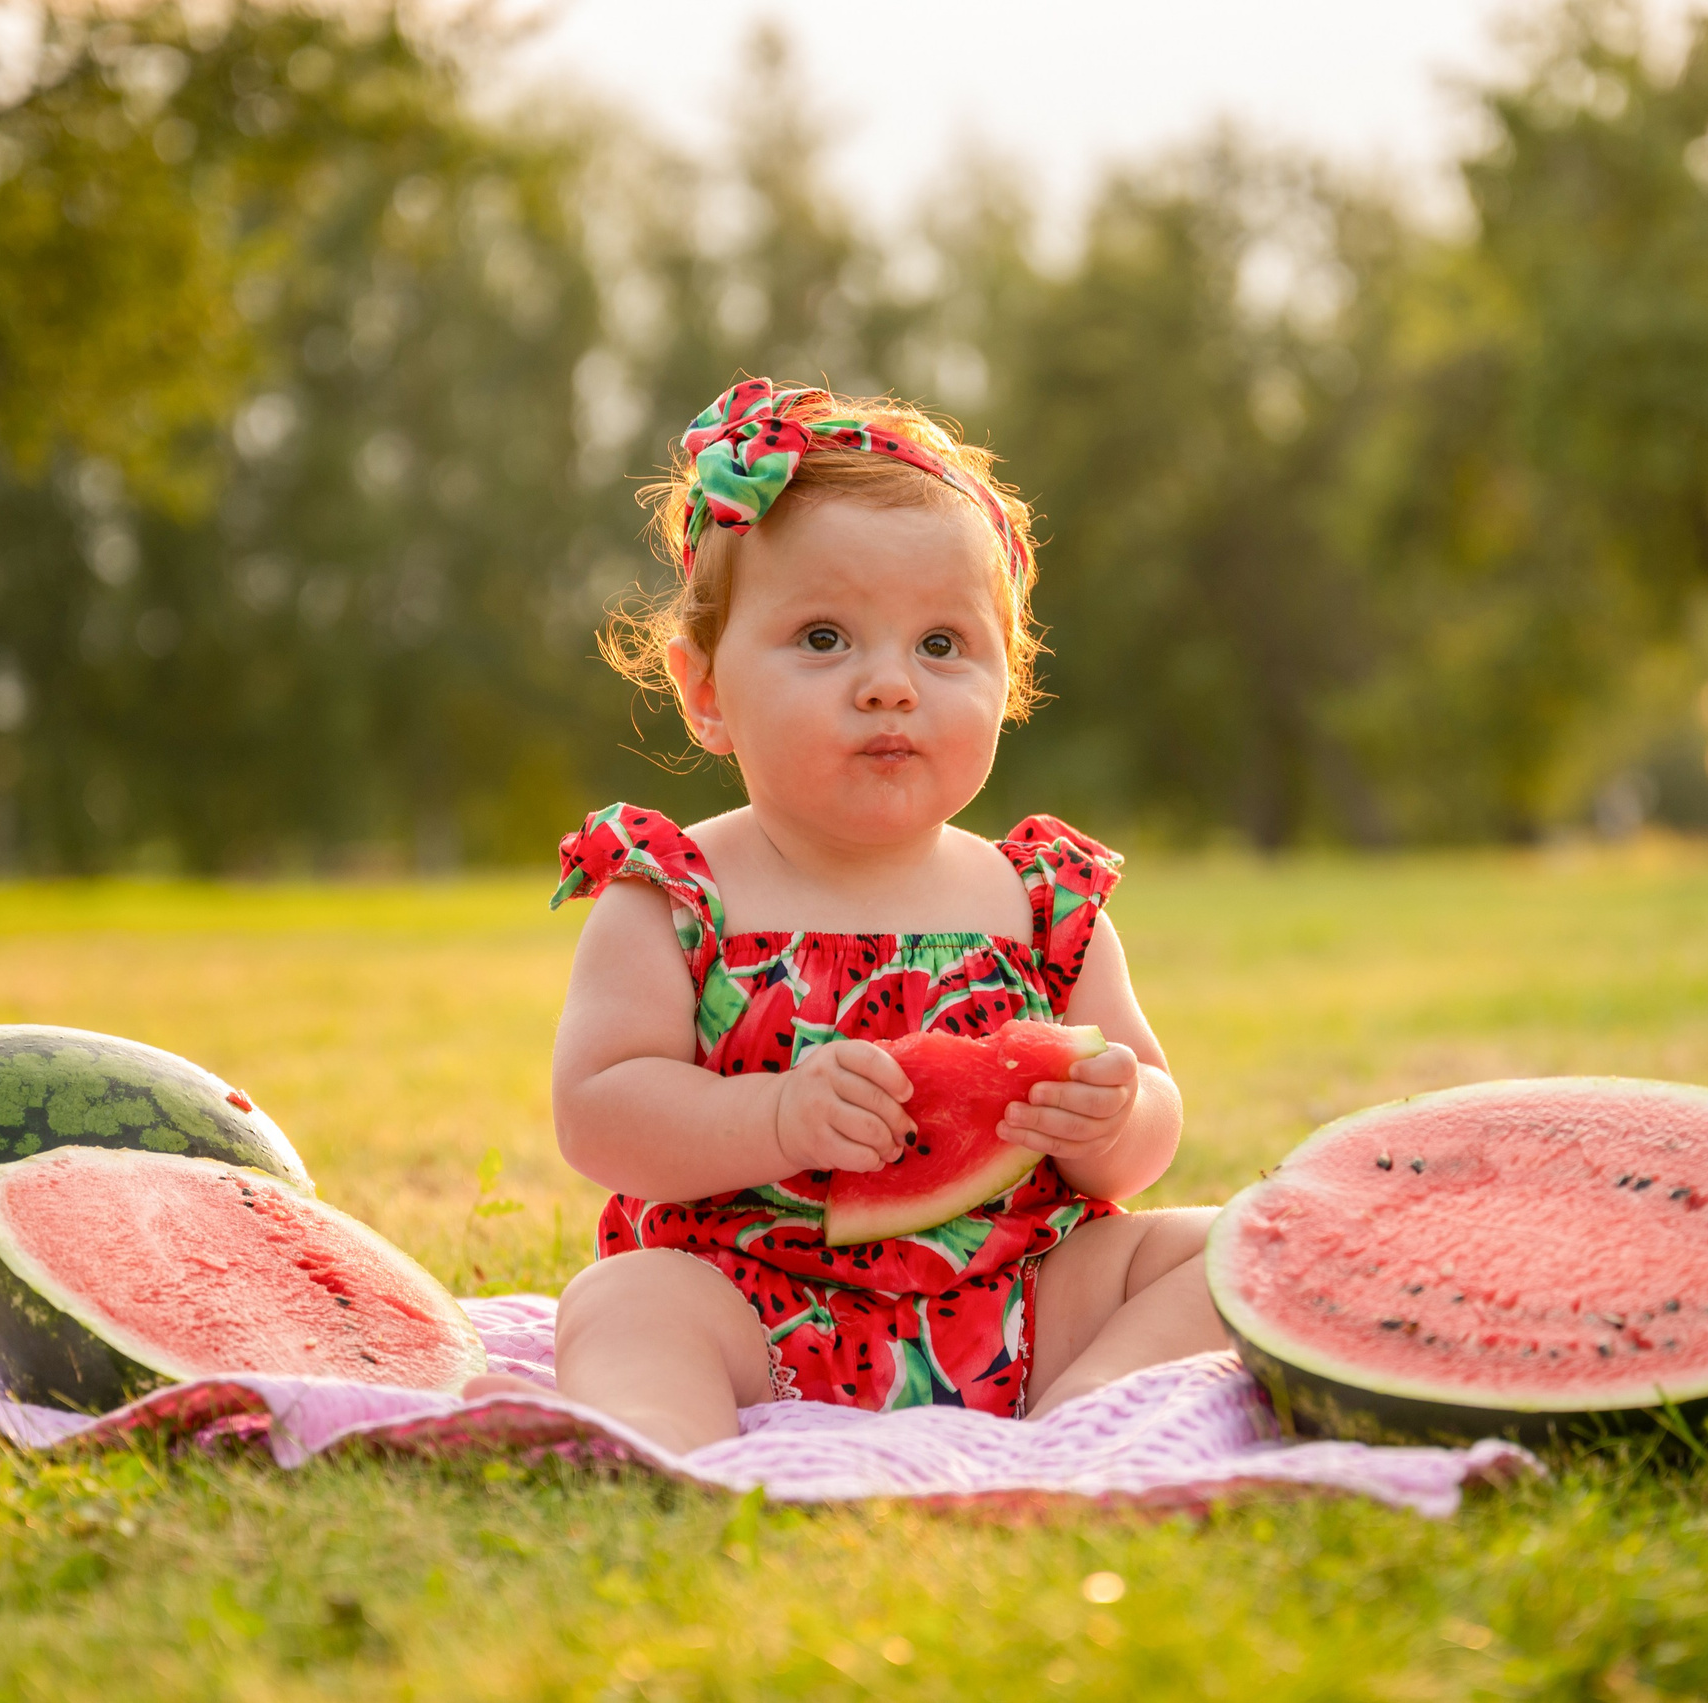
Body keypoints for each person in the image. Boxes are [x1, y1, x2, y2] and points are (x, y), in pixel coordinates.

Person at [464, 380, 1222, 1452]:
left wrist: (1117, 1118)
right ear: (705, 688)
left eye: (942, 645)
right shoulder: (673, 896)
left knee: (1221, 1249)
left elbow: (1144, 1123)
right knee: (624, 1300)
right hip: (752, 1302)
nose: (888, 685)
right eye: (824, 637)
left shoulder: (1047, 907)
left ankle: (1079, 1427)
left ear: (1008, 681)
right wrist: (775, 1118)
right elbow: (598, 1113)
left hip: (1021, 1298)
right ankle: (660, 1453)